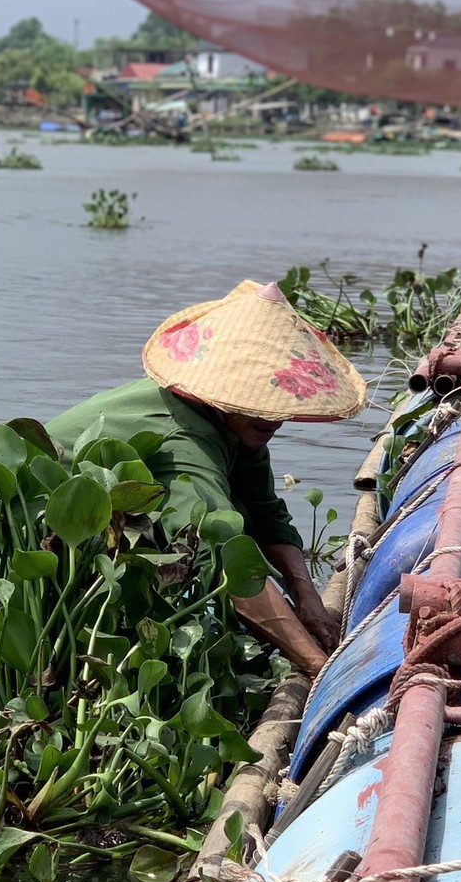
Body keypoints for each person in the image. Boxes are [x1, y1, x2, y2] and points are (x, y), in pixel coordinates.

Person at [47, 280, 367, 677]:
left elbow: (267, 516)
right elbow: (226, 562)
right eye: (260, 404)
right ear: (224, 392)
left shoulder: (238, 423)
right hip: (30, 512)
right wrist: (320, 667)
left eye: (278, 405)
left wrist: (307, 596)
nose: (275, 419)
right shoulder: (186, 440)